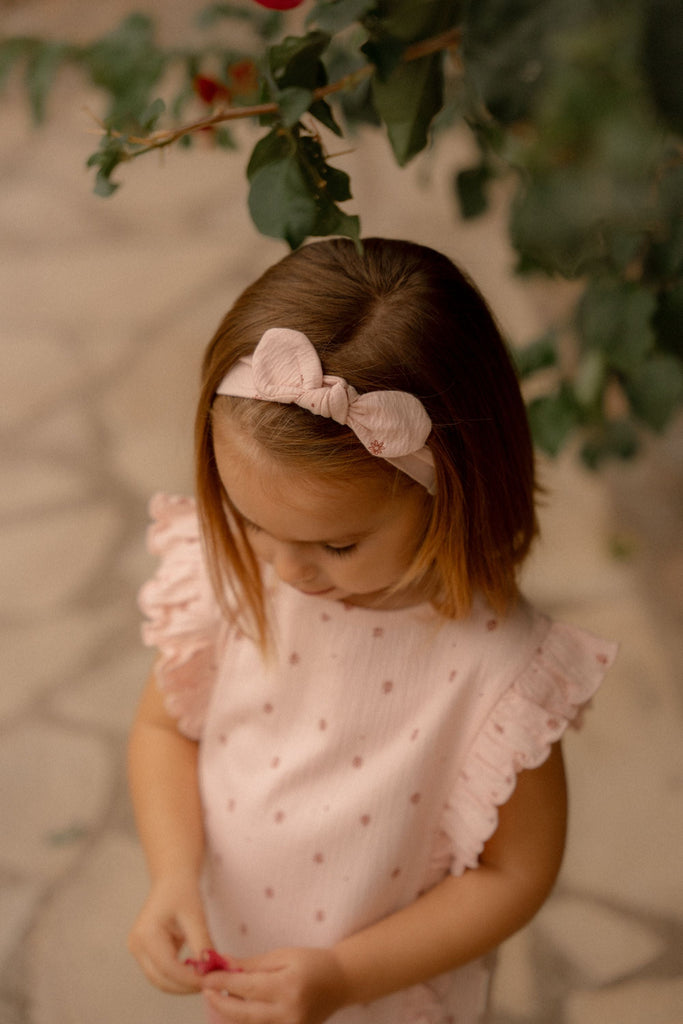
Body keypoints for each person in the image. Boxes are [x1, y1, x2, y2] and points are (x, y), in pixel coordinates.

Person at [128, 238, 617, 1024]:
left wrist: (342, 976)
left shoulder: (498, 670)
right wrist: (172, 875)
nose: (287, 569)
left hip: (380, 993)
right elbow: (166, 729)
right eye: (253, 521)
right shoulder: (236, 573)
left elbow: (514, 875)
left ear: (452, 489)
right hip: (240, 956)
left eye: (337, 545)